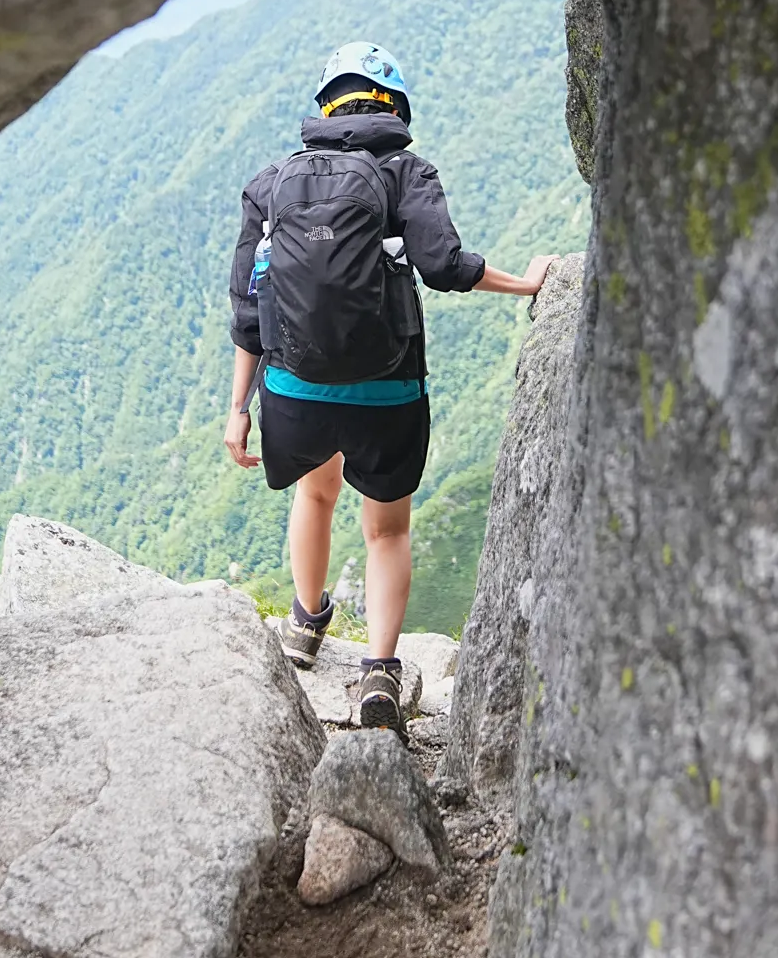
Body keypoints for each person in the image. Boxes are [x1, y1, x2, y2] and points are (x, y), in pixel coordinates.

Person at [224, 40, 551, 734]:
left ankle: (305, 626)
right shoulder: (406, 172)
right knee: (387, 528)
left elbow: (249, 308)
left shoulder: (271, 182)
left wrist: (237, 411)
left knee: (315, 492)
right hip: (387, 389)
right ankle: (378, 671)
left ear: (324, 107)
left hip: (292, 386)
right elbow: (443, 265)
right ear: (392, 106)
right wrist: (526, 280)